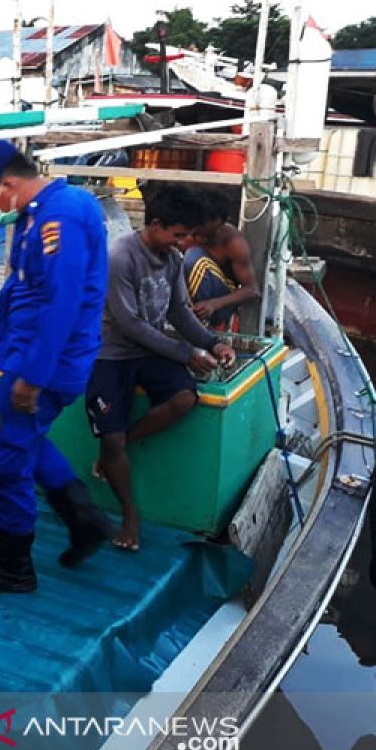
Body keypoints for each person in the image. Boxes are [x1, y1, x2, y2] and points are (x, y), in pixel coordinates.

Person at [0, 141, 114, 596]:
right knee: (26, 441)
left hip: (44, 364)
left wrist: (34, 376)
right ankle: (83, 518)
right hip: (29, 357)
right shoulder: (35, 213)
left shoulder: (60, 217)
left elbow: (60, 302)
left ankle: (14, 563)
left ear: (8, 184)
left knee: (5, 462)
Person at [88, 185, 237, 552]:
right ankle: (130, 515)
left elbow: (178, 311)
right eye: (180, 235)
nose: (185, 243)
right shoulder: (120, 257)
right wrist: (186, 354)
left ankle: (118, 451)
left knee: (185, 398)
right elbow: (129, 324)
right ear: (155, 224)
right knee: (110, 436)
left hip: (147, 351)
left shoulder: (171, 259)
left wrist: (213, 343)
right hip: (110, 353)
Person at [183, 188, 260, 331]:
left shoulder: (233, 242)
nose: (200, 238)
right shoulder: (184, 232)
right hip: (187, 300)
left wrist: (214, 304)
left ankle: (199, 324)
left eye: (208, 235)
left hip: (219, 304)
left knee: (196, 259)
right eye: (197, 233)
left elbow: (252, 290)